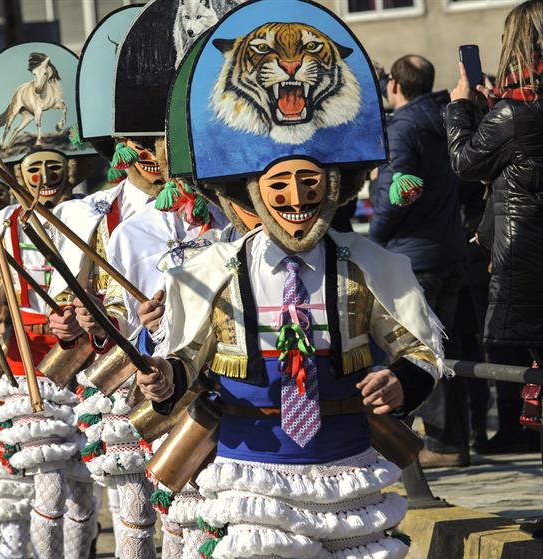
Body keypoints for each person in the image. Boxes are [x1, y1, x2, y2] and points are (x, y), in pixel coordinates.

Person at [136, 2, 443, 557]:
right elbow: (184, 359)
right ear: (254, 193)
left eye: (310, 183)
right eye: (281, 186)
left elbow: (420, 352)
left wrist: (402, 380)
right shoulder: (208, 271)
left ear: (333, 188)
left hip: (347, 468)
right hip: (253, 473)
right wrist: (164, 377)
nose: (297, 200)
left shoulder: (371, 264)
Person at [447, 0, 543, 454]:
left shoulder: (514, 113)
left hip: (529, 262)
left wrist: (460, 108)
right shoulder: (517, 110)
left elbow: (466, 161)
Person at [370, 54, 469, 467]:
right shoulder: (447, 116)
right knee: (446, 349)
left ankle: (443, 445)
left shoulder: (403, 127)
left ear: (395, 85)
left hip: (412, 254)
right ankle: (453, 439)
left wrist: (372, 242)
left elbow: (397, 191)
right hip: (448, 247)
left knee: (421, 351)